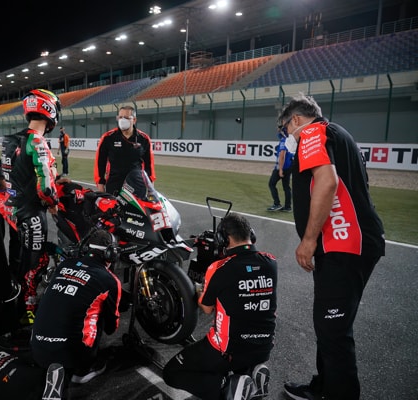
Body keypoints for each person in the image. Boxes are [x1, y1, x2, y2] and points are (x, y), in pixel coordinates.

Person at [277, 93, 385, 400]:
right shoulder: (338, 133)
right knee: (330, 325)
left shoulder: (312, 133)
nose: (286, 136)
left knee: (333, 330)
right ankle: (324, 387)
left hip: (345, 244)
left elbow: (327, 182)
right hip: (351, 242)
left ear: (296, 120)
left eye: (285, 129)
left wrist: (309, 239)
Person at [163, 213, 277, 400]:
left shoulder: (219, 268)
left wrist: (199, 291)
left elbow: (207, 308)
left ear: (224, 239)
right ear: (251, 234)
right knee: (241, 346)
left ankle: (228, 387)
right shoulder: (271, 262)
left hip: (228, 350)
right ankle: (251, 372)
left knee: (172, 373)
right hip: (263, 347)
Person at [0, 89, 61, 326]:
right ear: (50, 111)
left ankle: (15, 306)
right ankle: (29, 315)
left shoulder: (10, 140)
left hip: (14, 211)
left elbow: (7, 176)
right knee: (35, 265)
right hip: (33, 213)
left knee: (20, 261)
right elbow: (45, 189)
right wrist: (53, 205)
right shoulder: (37, 141)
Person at [31, 229, 122, 399]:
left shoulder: (65, 265)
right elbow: (112, 327)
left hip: (37, 347)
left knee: (66, 302)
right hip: (73, 353)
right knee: (97, 311)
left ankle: (54, 362)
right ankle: (83, 369)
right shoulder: (110, 280)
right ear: (111, 254)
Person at [94, 105, 155, 195]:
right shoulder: (108, 137)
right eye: (120, 117)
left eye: (126, 117)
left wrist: (151, 188)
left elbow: (149, 166)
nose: (122, 120)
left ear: (134, 120)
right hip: (114, 186)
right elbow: (100, 163)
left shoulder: (144, 139)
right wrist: (100, 185)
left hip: (137, 186)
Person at [266, 128, 294, 212]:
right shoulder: (290, 140)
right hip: (289, 166)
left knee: (272, 184)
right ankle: (288, 206)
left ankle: (277, 204)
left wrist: (280, 169)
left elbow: (282, 155)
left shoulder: (283, 141)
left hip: (282, 167)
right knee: (286, 187)